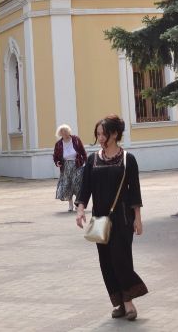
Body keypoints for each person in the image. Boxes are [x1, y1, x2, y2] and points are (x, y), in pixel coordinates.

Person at [76, 114, 146, 321]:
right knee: (106, 262)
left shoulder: (127, 159)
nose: (99, 138)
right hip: (99, 219)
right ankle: (118, 303)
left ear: (114, 134)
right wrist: (80, 210)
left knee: (121, 259)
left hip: (122, 219)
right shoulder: (93, 159)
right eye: (97, 134)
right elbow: (85, 188)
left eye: (103, 134)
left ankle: (129, 302)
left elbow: (135, 191)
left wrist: (138, 218)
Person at [53, 124, 87, 212]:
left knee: (78, 184)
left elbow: (83, 151)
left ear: (69, 132)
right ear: (60, 133)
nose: (64, 133)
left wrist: (86, 162)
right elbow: (55, 156)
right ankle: (70, 204)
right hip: (65, 166)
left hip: (77, 164)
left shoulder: (76, 140)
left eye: (66, 131)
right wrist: (58, 162)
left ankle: (77, 203)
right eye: (62, 132)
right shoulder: (59, 144)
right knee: (67, 185)